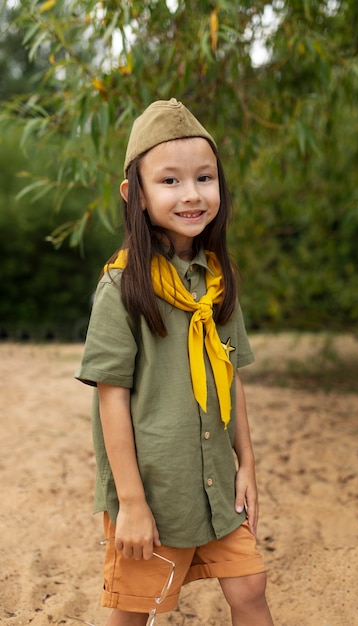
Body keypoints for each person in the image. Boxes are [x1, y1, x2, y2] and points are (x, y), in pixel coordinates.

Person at [75, 98, 274, 626]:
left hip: (215, 479)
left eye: (204, 178)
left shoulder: (219, 277)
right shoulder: (121, 287)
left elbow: (230, 377)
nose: (191, 194)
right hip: (157, 490)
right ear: (134, 194)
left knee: (250, 587)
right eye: (169, 181)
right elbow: (110, 398)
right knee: (135, 610)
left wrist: (247, 465)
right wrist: (132, 503)